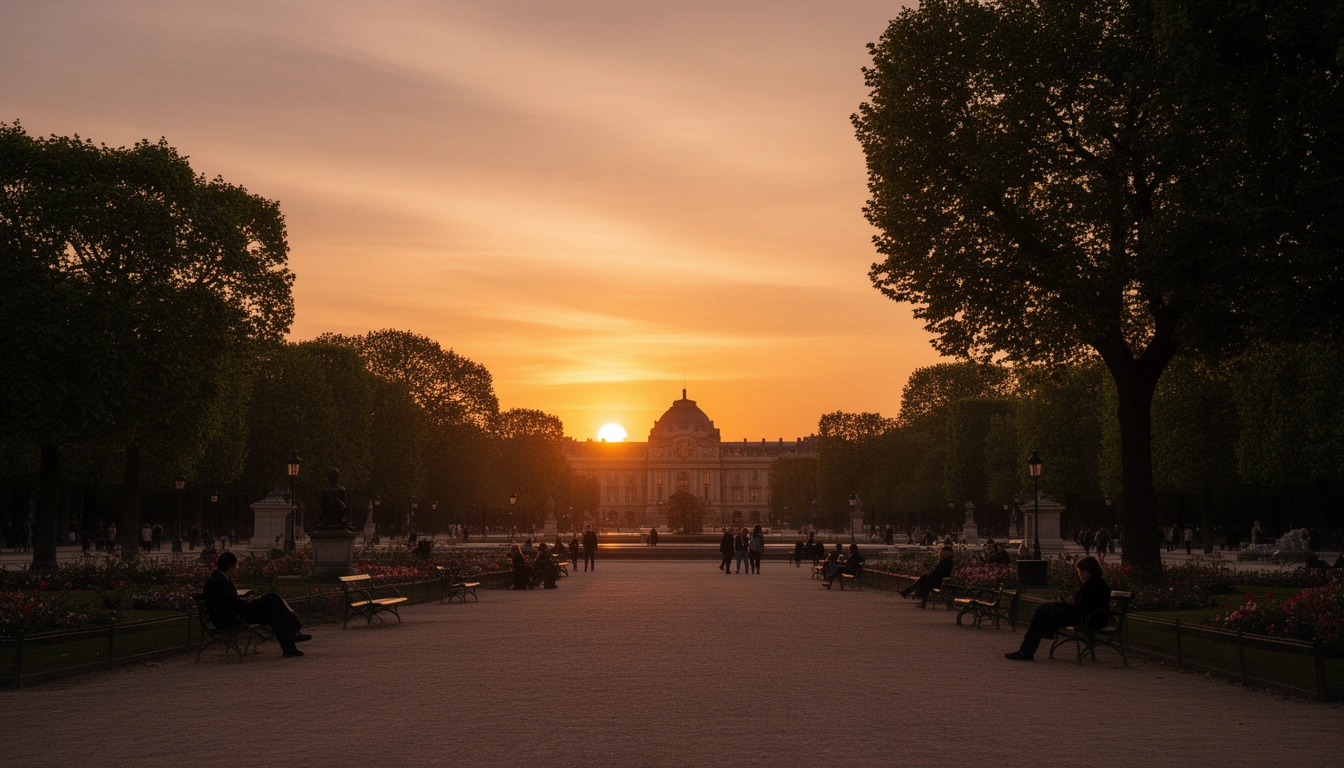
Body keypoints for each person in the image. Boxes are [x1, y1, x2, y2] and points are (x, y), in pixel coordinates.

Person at [203, 552, 310, 658]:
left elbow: (229, 600)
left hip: (233, 614)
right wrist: (247, 601)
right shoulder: (219, 581)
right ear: (230, 567)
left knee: (272, 613)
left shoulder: (220, 578)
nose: (237, 569)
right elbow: (230, 604)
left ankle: (289, 648)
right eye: (236, 566)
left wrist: (247, 596)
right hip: (231, 617)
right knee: (272, 596)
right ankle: (293, 629)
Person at [1006, 556, 1111, 661]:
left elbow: (1083, 603)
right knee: (1043, 610)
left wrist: (1067, 601)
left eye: (1079, 572)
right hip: (1083, 614)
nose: (1079, 575)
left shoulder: (1095, 584)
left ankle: (1027, 648)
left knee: (1043, 612)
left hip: (1088, 618)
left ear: (1086, 571)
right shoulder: (1093, 583)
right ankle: (1032, 643)